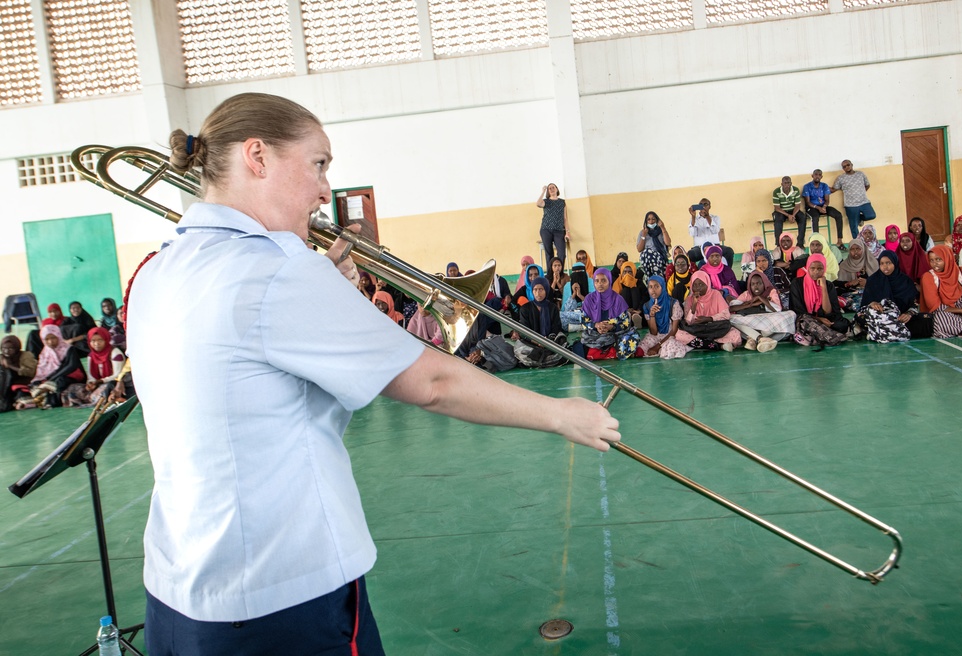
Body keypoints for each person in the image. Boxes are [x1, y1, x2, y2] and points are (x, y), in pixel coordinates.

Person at [125, 93, 620, 655]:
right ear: (257, 156)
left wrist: (322, 292)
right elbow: (433, 383)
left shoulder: (156, 270)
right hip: (281, 599)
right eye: (318, 164)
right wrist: (562, 413)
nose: (322, 191)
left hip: (177, 593)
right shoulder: (277, 272)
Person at [854, 250, 932, 342]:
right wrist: (872, 304)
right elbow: (864, 306)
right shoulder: (873, 281)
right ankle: (891, 332)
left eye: (888, 263)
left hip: (900, 319)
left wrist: (908, 314)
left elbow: (914, 305)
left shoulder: (906, 281)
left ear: (895, 263)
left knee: (926, 320)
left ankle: (878, 332)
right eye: (882, 263)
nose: (885, 267)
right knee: (860, 318)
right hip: (881, 318)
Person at [671, 271, 742, 355]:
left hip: (715, 328)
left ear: (707, 284)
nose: (697, 288)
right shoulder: (690, 299)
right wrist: (694, 304)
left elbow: (726, 314)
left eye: (701, 285)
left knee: (735, 335)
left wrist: (709, 319)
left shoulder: (716, 294)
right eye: (695, 285)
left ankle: (702, 344)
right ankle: (717, 345)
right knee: (680, 335)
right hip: (698, 330)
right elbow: (689, 322)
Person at [575, 268, 639, 361]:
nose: (600, 284)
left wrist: (611, 326)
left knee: (632, 338)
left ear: (609, 281)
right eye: (597, 281)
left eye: (603, 280)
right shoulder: (589, 299)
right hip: (594, 336)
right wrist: (596, 325)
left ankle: (600, 353)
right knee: (577, 348)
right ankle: (610, 352)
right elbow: (584, 321)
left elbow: (625, 322)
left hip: (615, 335)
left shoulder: (618, 299)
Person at [19, 324, 85, 409]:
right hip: (54, 376)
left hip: (72, 374)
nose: (50, 342)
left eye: (53, 338)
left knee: (59, 381)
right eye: (47, 339)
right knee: (34, 385)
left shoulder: (68, 349)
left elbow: (72, 365)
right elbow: (42, 370)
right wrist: (41, 380)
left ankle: (50, 401)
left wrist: (52, 378)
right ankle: (40, 399)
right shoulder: (45, 353)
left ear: (58, 336)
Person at [789, 254, 850, 346]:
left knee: (842, 324)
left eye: (820, 269)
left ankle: (812, 337)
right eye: (812, 268)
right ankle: (834, 337)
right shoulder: (797, 283)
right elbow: (798, 311)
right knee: (804, 322)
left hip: (825, 320)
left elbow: (829, 312)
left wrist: (823, 287)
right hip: (807, 320)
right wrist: (818, 319)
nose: (816, 272)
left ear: (824, 269)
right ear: (807, 268)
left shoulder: (829, 285)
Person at [728, 271, 796, 352]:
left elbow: (776, 310)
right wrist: (750, 304)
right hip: (753, 322)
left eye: (759, 283)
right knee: (731, 318)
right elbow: (732, 308)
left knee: (791, 314)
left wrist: (761, 299)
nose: (756, 286)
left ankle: (753, 339)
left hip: (769, 322)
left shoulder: (771, 291)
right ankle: (760, 339)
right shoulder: (747, 294)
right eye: (752, 284)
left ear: (764, 283)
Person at [510, 276, 567, 368]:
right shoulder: (525, 308)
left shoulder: (552, 307)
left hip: (550, 341)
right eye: (535, 290)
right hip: (532, 342)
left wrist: (548, 340)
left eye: (541, 289)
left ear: (546, 290)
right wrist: (537, 341)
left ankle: (539, 359)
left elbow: (556, 327)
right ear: (532, 291)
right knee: (521, 349)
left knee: (562, 343)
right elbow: (524, 330)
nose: (538, 293)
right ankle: (547, 359)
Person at [61, 326, 126, 407]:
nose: (96, 343)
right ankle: (94, 399)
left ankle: (99, 399)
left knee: (108, 387)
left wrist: (100, 381)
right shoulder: (91, 356)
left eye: (100, 340)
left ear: (106, 339)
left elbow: (118, 375)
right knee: (72, 388)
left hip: (113, 383)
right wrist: (91, 383)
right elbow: (91, 376)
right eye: (93, 341)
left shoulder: (116, 354)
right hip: (98, 384)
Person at [635, 275, 682, 358]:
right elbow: (653, 332)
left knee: (669, 349)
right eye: (650, 287)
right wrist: (652, 315)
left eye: (657, 286)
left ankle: (661, 349)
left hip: (670, 335)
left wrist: (657, 346)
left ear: (663, 287)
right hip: (655, 336)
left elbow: (674, 330)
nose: (653, 290)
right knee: (639, 350)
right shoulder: (647, 306)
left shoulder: (673, 303)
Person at [801, 169, 845, 250]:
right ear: (812, 176)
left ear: (821, 177)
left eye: (819, 175)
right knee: (815, 218)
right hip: (812, 207)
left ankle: (840, 241)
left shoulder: (824, 186)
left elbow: (827, 200)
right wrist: (818, 208)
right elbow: (808, 202)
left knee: (838, 215)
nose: (817, 176)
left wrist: (824, 207)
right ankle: (816, 242)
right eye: (816, 174)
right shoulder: (807, 186)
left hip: (822, 206)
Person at [832, 159, 875, 240]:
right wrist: (822, 188)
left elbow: (867, 185)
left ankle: (859, 218)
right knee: (853, 226)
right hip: (850, 205)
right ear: (843, 169)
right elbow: (834, 189)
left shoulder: (860, 174)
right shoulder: (841, 178)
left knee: (871, 215)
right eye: (844, 166)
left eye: (848, 165)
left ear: (852, 165)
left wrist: (860, 193)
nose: (846, 167)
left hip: (864, 202)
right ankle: (858, 242)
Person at [686, 198, 734, 267]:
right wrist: (693, 217)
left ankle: (727, 272)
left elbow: (715, 230)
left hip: (715, 246)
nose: (703, 207)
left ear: (709, 207)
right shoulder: (694, 219)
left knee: (729, 251)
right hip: (699, 248)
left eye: (705, 204)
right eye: (701, 205)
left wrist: (707, 216)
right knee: (689, 255)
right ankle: (696, 275)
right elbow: (692, 233)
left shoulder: (715, 218)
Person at [835, 238, 879, 312]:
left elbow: (880, 282)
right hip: (851, 293)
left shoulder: (872, 262)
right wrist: (849, 283)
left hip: (869, 292)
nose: (855, 251)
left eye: (858, 249)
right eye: (852, 249)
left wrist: (868, 282)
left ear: (863, 249)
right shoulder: (844, 265)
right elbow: (838, 283)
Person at [536, 183, 570, 269]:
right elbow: (538, 203)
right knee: (549, 253)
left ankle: (560, 271)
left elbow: (565, 218)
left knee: (562, 253)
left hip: (559, 231)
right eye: (549, 188)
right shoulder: (546, 202)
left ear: (557, 189)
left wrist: (567, 232)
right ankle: (550, 274)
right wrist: (543, 191)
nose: (551, 189)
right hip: (546, 230)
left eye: (553, 187)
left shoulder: (562, 202)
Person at [1, 335, 37, 413]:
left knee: (7, 372)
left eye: (10, 348)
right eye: (4, 348)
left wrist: (10, 366)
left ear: (17, 348)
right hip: (7, 385)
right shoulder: (2, 358)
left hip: (23, 381)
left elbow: (31, 372)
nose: (6, 351)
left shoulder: (25, 355)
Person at [771, 176, 808, 247]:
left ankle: (800, 243)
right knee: (777, 220)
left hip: (793, 210)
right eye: (785, 183)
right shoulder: (776, 192)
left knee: (802, 217)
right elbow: (777, 208)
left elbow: (797, 205)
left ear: (791, 183)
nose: (787, 185)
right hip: (781, 211)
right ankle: (778, 244)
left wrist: (793, 215)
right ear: (781, 184)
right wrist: (788, 215)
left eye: (788, 183)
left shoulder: (795, 190)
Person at [612, 260, 648, 328]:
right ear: (621, 272)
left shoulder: (639, 283)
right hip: (623, 311)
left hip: (638, 311)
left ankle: (635, 318)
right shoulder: (617, 283)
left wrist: (639, 310)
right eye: (624, 272)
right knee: (625, 291)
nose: (627, 274)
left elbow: (645, 297)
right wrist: (625, 309)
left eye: (630, 272)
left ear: (634, 272)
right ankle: (627, 316)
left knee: (634, 289)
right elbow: (615, 300)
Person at [636, 211, 670, 279]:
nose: (651, 221)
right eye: (648, 219)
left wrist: (663, 228)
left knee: (648, 252)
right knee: (647, 252)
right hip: (646, 259)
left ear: (657, 220)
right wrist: (643, 236)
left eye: (653, 219)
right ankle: (656, 276)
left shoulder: (661, 231)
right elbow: (639, 249)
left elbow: (668, 243)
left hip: (660, 258)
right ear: (646, 221)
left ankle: (654, 277)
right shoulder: (642, 232)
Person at [560, 261, 592, 331]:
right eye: (575, 271)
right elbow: (566, 310)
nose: (578, 274)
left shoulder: (591, 283)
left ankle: (578, 327)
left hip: (588, 314)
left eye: (580, 271)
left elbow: (593, 306)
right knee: (560, 316)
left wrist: (580, 295)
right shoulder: (567, 286)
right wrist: (574, 294)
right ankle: (584, 326)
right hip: (574, 315)